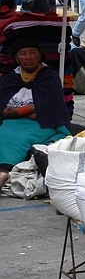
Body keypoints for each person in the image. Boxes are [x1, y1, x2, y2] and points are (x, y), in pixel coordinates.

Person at [0, 39, 70, 189]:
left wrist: (19, 112)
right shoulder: (10, 78)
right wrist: (15, 113)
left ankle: (4, 172)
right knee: (2, 132)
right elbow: (3, 107)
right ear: (17, 58)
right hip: (12, 122)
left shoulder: (49, 77)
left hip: (42, 123)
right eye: (23, 54)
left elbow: (51, 107)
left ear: (39, 55)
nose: (28, 57)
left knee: (19, 138)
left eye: (32, 53)